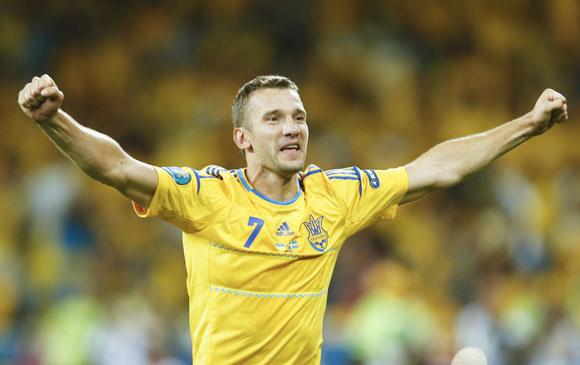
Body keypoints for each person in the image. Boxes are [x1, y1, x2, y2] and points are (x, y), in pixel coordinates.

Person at [18, 74, 568, 364]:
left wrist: (527, 125)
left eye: (299, 117)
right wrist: (54, 121)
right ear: (243, 139)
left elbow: (436, 169)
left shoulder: (337, 196)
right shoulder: (208, 196)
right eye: (274, 118)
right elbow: (117, 167)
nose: (292, 128)